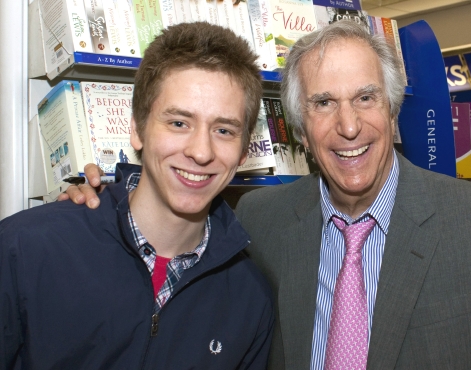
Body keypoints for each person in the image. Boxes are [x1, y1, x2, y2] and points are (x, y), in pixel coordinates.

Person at [63, 20, 471, 369]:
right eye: (323, 103)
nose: (348, 126)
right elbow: (176, 228)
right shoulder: (261, 219)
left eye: (365, 98)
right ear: (301, 131)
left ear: (392, 113)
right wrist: (102, 208)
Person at [0, 22, 274, 369]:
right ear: (136, 128)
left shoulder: (250, 298)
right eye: (178, 123)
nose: (201, 152)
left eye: (223, 130)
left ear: (244, 151)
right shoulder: (24, 250)